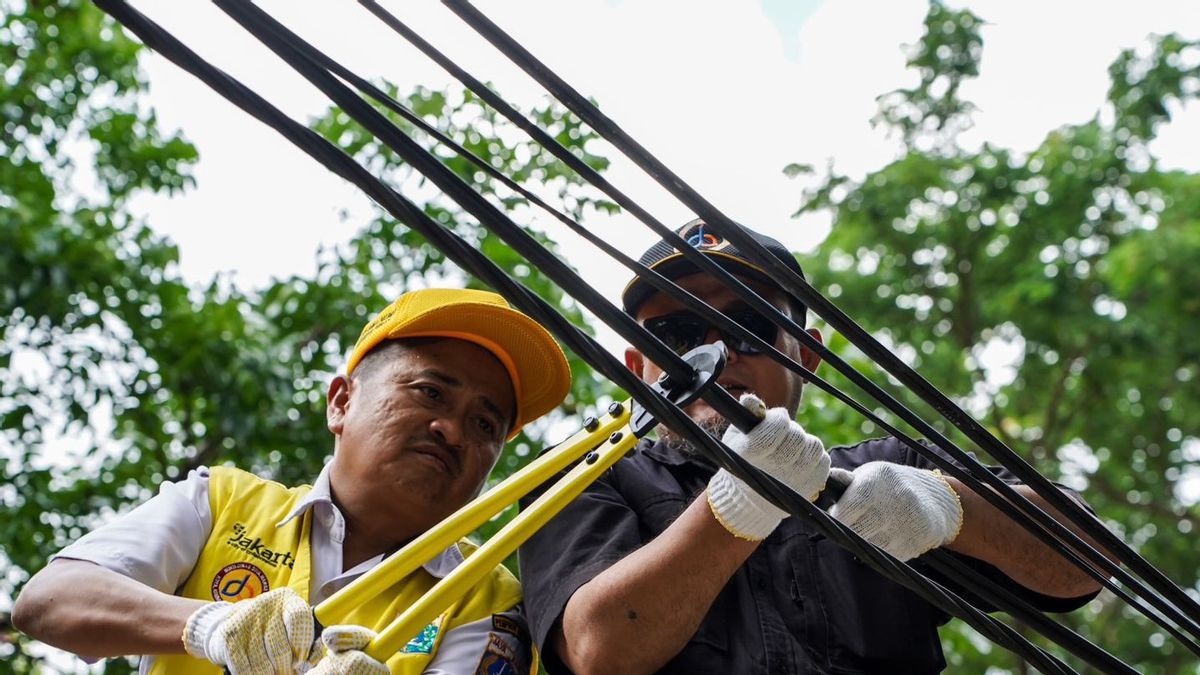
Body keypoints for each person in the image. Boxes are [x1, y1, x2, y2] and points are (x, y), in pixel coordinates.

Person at [518, 219, 1108, 674]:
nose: (718, 353)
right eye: (675, 335)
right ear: (637, 367)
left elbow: (1087, 562)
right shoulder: (580, 476)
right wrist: (734, 510)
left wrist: (952, 509)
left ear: (806, 354)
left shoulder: (889, 469)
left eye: (749, 328)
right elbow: (599, 652)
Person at [14, 287, 572, 674]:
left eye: (484, 423)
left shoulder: (489, 597)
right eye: (431, 392)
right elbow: (49, 601)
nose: (452, 430)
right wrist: (212, 626)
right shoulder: (220, 501)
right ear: (341, 402)